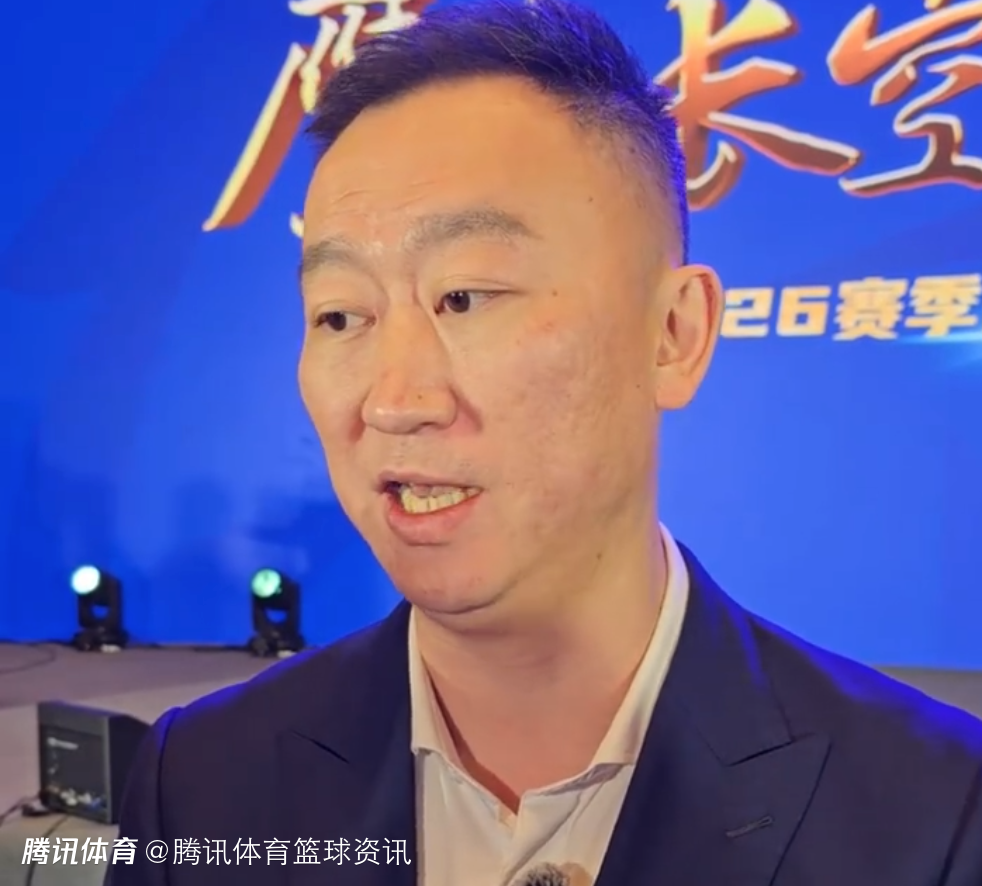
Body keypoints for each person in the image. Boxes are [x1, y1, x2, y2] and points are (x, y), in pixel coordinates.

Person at [108, 1, 982, 884]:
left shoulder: (937, 816)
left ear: (673, 335)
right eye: (340, 315)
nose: (395, 401)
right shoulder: (200, 784)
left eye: (465, 297)